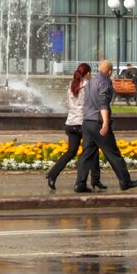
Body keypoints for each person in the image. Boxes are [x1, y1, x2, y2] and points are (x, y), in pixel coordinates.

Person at [74, 59, 137, 194]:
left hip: (87, 122)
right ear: (109, 71)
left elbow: (87, 102)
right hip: (98, 123)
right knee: (113, 153)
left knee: (86, 154)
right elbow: (103, 102)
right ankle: (125, 181)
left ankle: (80, 183)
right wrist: (105, 121)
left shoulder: (90, 82)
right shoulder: (104, 82)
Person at [45, 62, 103, 191]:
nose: (91, 75)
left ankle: (52, 174)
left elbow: (68, 103)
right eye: (90, 73)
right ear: (87, 73)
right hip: (83, 123)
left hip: (71, 123)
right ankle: (85, 182)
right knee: (90, 151)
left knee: (71, 152)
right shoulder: (88, 86)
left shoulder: (72, 85)